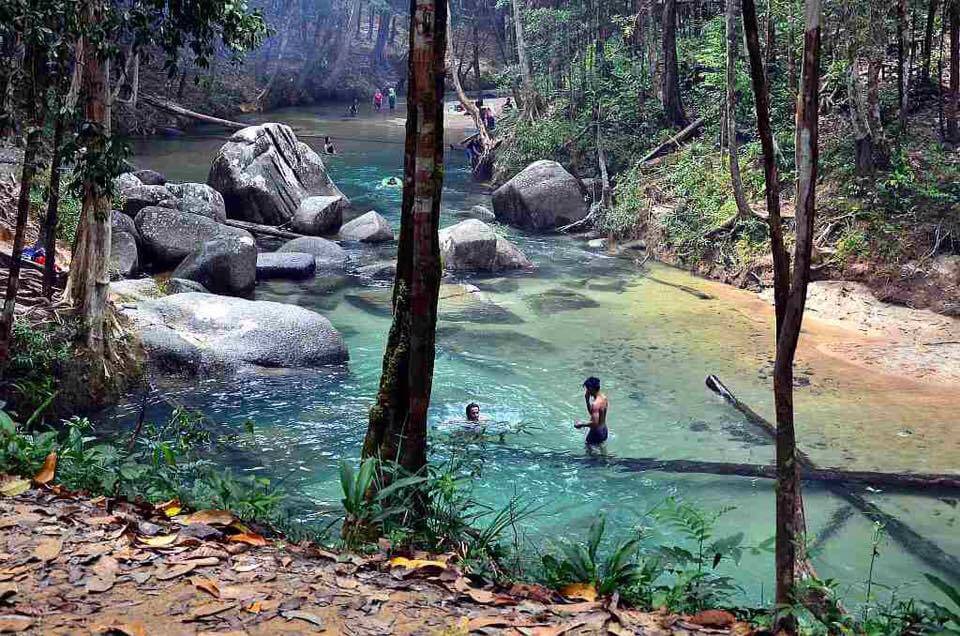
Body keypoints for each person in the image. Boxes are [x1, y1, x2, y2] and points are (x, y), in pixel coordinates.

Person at [575, 376, 608, 455]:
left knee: (589, 451)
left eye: (587, 389)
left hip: (596, 433)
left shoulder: (595, 404)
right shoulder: (604, 398)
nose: (587, 391)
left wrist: (581, 424)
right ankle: (606, 462)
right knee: (602, 449)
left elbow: (594, 423)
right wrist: (587, 400)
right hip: (604, 430)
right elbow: (593, 414)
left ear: (591, 388)